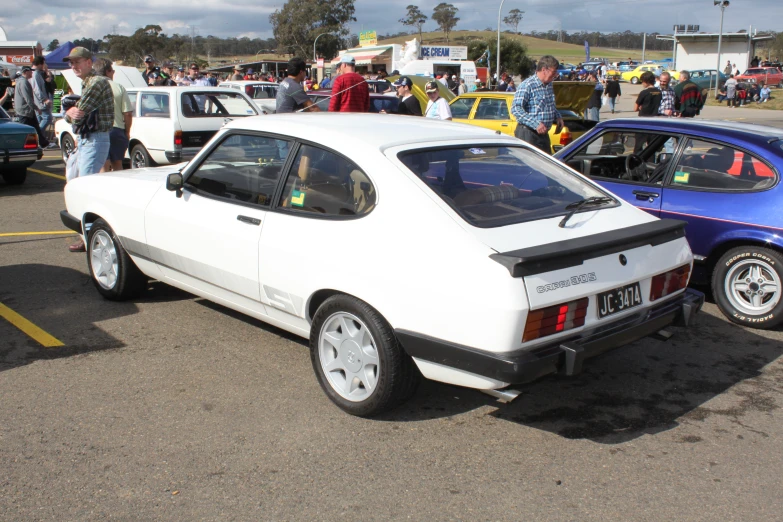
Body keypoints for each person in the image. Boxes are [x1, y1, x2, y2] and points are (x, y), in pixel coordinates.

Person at [62, 47, 115, 252]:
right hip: (86, 139)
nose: (73, 66)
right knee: (75, 185)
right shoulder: (88, 83)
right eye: (71, 63)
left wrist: (68, 113)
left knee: (84, 189)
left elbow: (79, 113)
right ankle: (87, 236)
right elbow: (76, 115)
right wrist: (71, 113)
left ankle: (91, 238)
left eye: (77, 62)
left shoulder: (97, 82)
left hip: (95, 139)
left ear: (89, 62)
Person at [510, 55, 564, 154]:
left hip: (543, 134)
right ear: (544, 70)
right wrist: (536, 124)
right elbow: (516, 109)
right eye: (553, 72)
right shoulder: (527, 85)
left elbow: (548, 105)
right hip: (528, 133)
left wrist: (558, 116)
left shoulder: (549, 85)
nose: (555, 75)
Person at [93, 58, 132, 173]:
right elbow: (128, 113)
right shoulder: (119, 87)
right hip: (117, 130)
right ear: (108, 71)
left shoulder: (93, 87)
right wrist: (127, 131)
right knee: (118, 163)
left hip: (99, 130)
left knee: (103, 164)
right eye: (113, 71)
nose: (113, 73)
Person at [14, 67, 49, 148]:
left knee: (35, 127)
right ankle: (20, 145)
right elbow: (28, 98)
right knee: (24, 130)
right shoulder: (23, 82)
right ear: (26, 72)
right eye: (30, 72)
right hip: (25, 111)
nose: (32, 73)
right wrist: (36, 108)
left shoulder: (21, 81)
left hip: (26, 111)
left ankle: (43, 143)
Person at [31, 56, 55, 147]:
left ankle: (41, 142)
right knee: (47, 118)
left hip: (36, 102)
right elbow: (37, 89)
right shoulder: (35, 74)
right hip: (40, 103)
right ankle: (38, 138)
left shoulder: (34, 73)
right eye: (43, 63)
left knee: (39, 120)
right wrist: (44, 99)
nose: (44, 65)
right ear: (40, 64)